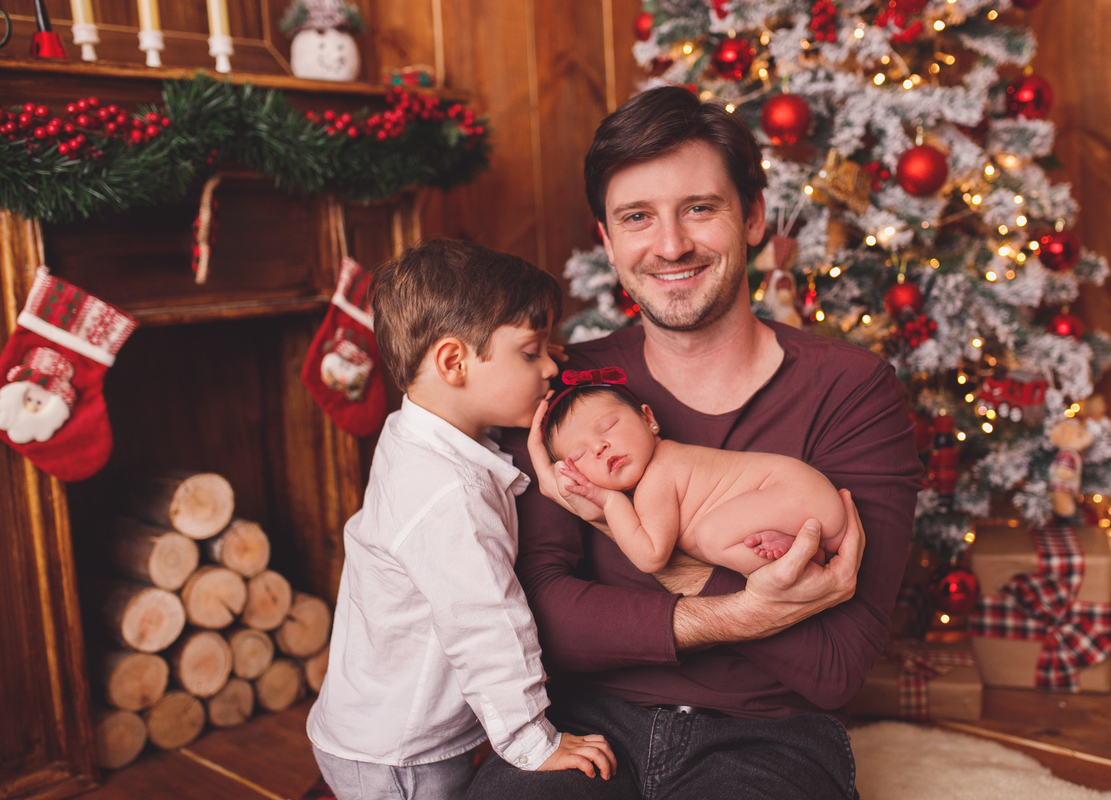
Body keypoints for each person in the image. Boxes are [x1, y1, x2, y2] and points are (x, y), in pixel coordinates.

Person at [468, 86, 923, 799]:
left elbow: (838, 664)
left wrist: (677, 570)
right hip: (581, 724)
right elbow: (537, 616)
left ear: (754, 218)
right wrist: (746, 608)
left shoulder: (852, 390)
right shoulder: (568, 389)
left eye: (700, 209)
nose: (671, 245)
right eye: (638, 218)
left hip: (772, 735)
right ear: (607, 239)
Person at [306, 239, 616, 800]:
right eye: (530, 352)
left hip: (381, 729)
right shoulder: (447, 493)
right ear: (453, 363)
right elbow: (486, 622)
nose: (552, 365)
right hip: (400, 758)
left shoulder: (420, 432)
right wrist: (534, 741)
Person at [534, 370, 848, 573]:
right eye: (580, 454)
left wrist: (609, 502)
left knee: (711, 535)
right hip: (804, 503)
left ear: (647, 419)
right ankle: (801, 551)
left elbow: (651, 557)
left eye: (609, 426)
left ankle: (802, 564)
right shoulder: (658, 473)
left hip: (797, 492)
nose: (600, 447)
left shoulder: (659, 474)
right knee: (716, 533)